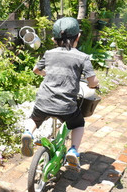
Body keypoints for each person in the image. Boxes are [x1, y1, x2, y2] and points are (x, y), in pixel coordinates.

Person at [21, 17, 99, 167]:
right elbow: (92, 81)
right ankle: (73, 150)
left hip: (43, 102)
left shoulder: (49, 53)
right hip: (66, 107)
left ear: (53, 39)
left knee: (35, 119)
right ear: (78, 37)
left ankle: (28, 133)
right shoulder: (82, 57)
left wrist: (46, 74)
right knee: (78, 123)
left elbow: (36, 70)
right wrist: (95, 85)